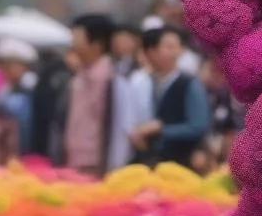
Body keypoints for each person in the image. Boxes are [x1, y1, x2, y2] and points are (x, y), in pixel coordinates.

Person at [128, 25, 211, 167]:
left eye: (177, 47)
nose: (175, 52)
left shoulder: (189, 83)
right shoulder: (142, 81)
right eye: (168, 47)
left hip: (181, 161)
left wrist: (161, 129)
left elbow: (198, 126)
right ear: (151, 52)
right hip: (149, 158)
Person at [64, 14, 115, 175]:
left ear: (97, 43)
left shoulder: (107, 76)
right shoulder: (80, 74)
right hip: (73, 156)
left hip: (93, 160)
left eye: (78, 39)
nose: (73, 45)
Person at [0, 38, 37, 164]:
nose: (20, 70)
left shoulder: (28, 89)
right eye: (15, 65)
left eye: (22, 66)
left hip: (21, 150)